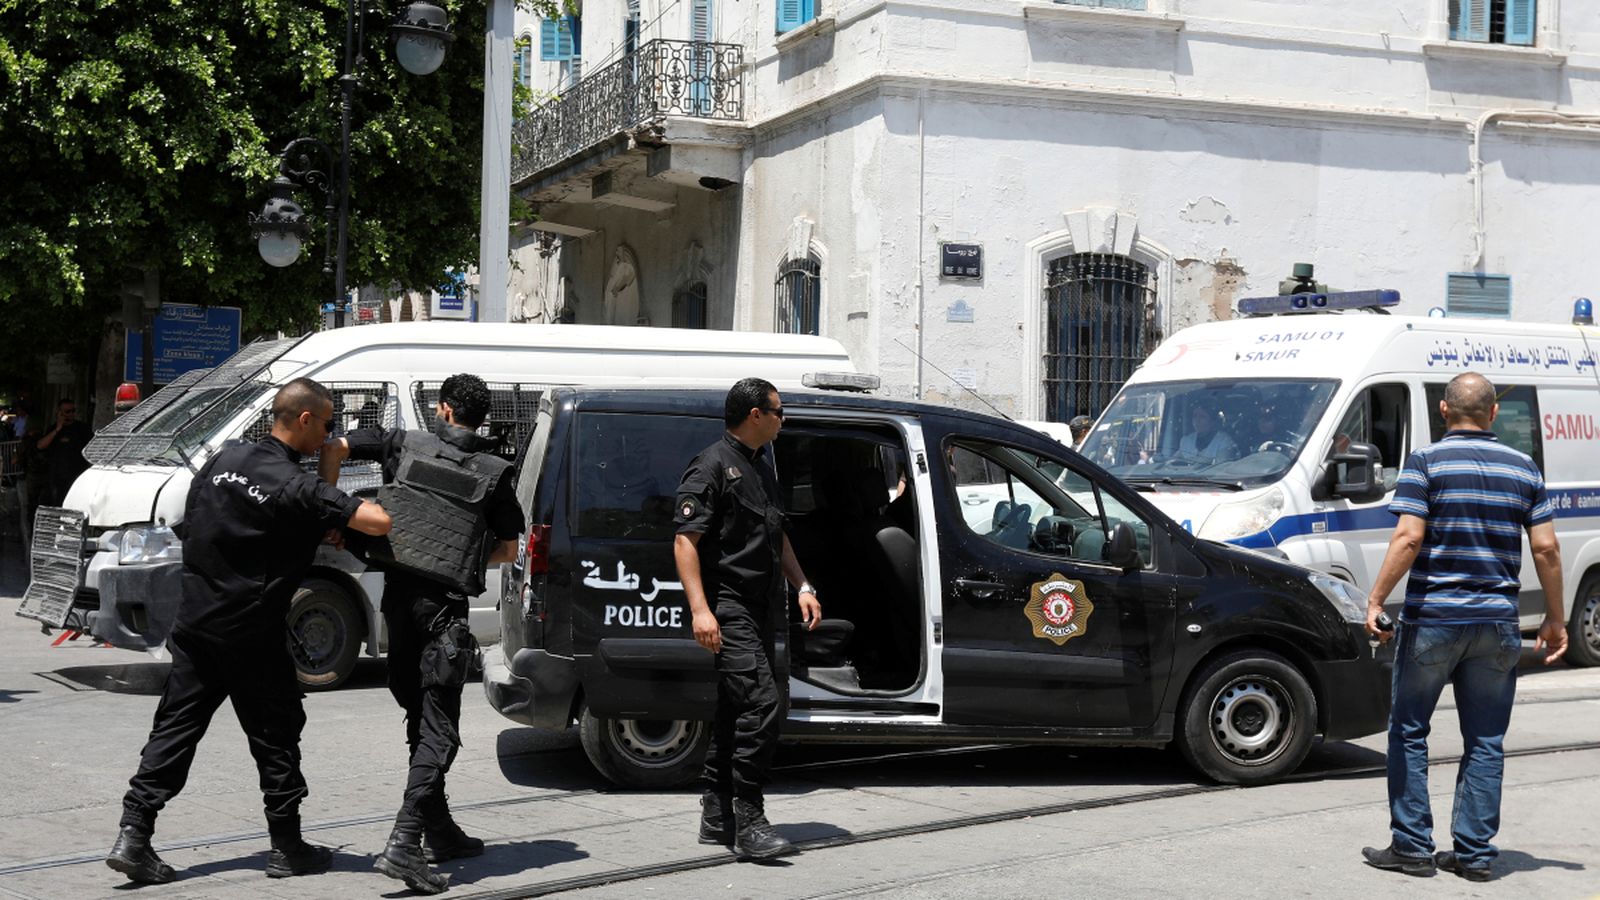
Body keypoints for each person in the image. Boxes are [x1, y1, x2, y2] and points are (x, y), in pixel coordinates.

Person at [107, 379, 392, 885]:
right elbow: (376, 521)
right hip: (251, 634)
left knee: (174, 731)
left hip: (196, 622)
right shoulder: (296, 487)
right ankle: (287, 847)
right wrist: (334, 467)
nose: (329, 434)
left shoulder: (223, 460)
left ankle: (134, 833)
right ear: (304, 420)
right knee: (276, 737)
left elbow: (194, 522)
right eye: (326, 425)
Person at [319, 374, 524, 895]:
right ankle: (405, 843)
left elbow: (335, 444)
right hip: (442, 614)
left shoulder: (401, 444)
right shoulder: (496, 473)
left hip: (397, 607)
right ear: (478, 417)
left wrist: (330, 512)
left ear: (445, 410)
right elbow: (506, 548)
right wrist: (461, 557)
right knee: (441, 730)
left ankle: (439, 830)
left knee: (420, 716)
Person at [1360, 372, 1566, 883]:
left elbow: (1408, 538)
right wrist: (1556, 619)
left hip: (1434, 618)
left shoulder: (1425, 463)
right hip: (1497, 624)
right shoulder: (1526, 468)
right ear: (1494, 414)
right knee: (1486, 740)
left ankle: (1411, 846)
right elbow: (1545, 548)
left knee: (1409, 731)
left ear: (1444, 412)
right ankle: (1474, 854)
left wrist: (1375, 599)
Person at [674, 377, 821, 860]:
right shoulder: (712, 465)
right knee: (762, 706)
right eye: (779, 412)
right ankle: (749, 819)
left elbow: (776, 536)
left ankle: (717, 813)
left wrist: (801, 585)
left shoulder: (762, 468)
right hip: (728, 606)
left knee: (734, 709)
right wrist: (701, 610)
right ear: (755, 414)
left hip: (761, 608)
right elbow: (685, 542)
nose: (784, 420)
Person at [35, 398, 93, 505]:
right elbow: (40, 446)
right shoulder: (54, 429)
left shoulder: (82, 428)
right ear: (60, 413)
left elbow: (92, 449)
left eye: (72, 411)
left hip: (77, 475)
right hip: (57, 477)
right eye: (67, 411)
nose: (70, 414)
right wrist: (58, 428)